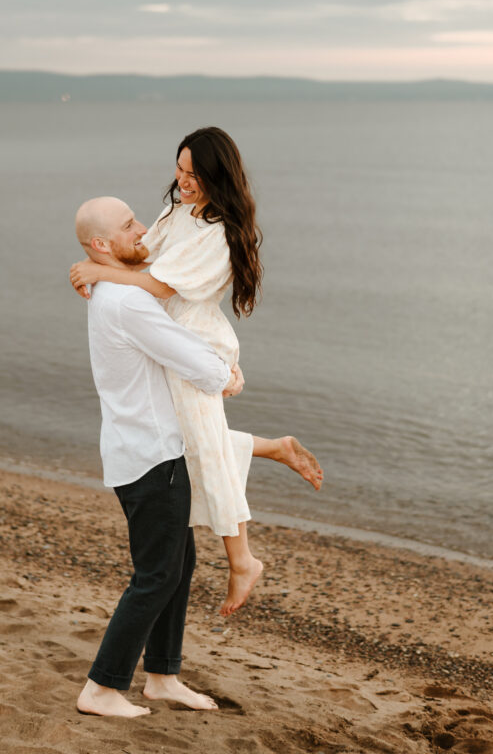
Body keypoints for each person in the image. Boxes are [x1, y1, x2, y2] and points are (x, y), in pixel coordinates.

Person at [70, 127, 323, 617]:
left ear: (217, 175)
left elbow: (161, 288)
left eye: (194, 174)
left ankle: (243, 559)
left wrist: (99, 271)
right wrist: (91, 256)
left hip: (193, 339)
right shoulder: (178, 211)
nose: (183, 181)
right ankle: (272, 446)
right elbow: (142, 255)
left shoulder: (217, 233)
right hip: (169, 335)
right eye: (180, 170)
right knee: (192, 438)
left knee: (204, 445)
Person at [73, 195, 244, 717]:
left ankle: (163, 677)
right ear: (102, 245)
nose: (142, 229)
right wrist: (226, 374)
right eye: (129, 225)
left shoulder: (110, 289)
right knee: (157, 575)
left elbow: (156, 287)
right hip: (152, 458)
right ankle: (101, 688)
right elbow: (200, 364)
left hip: (143, 451)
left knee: (179, 566)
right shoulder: (126, 302)